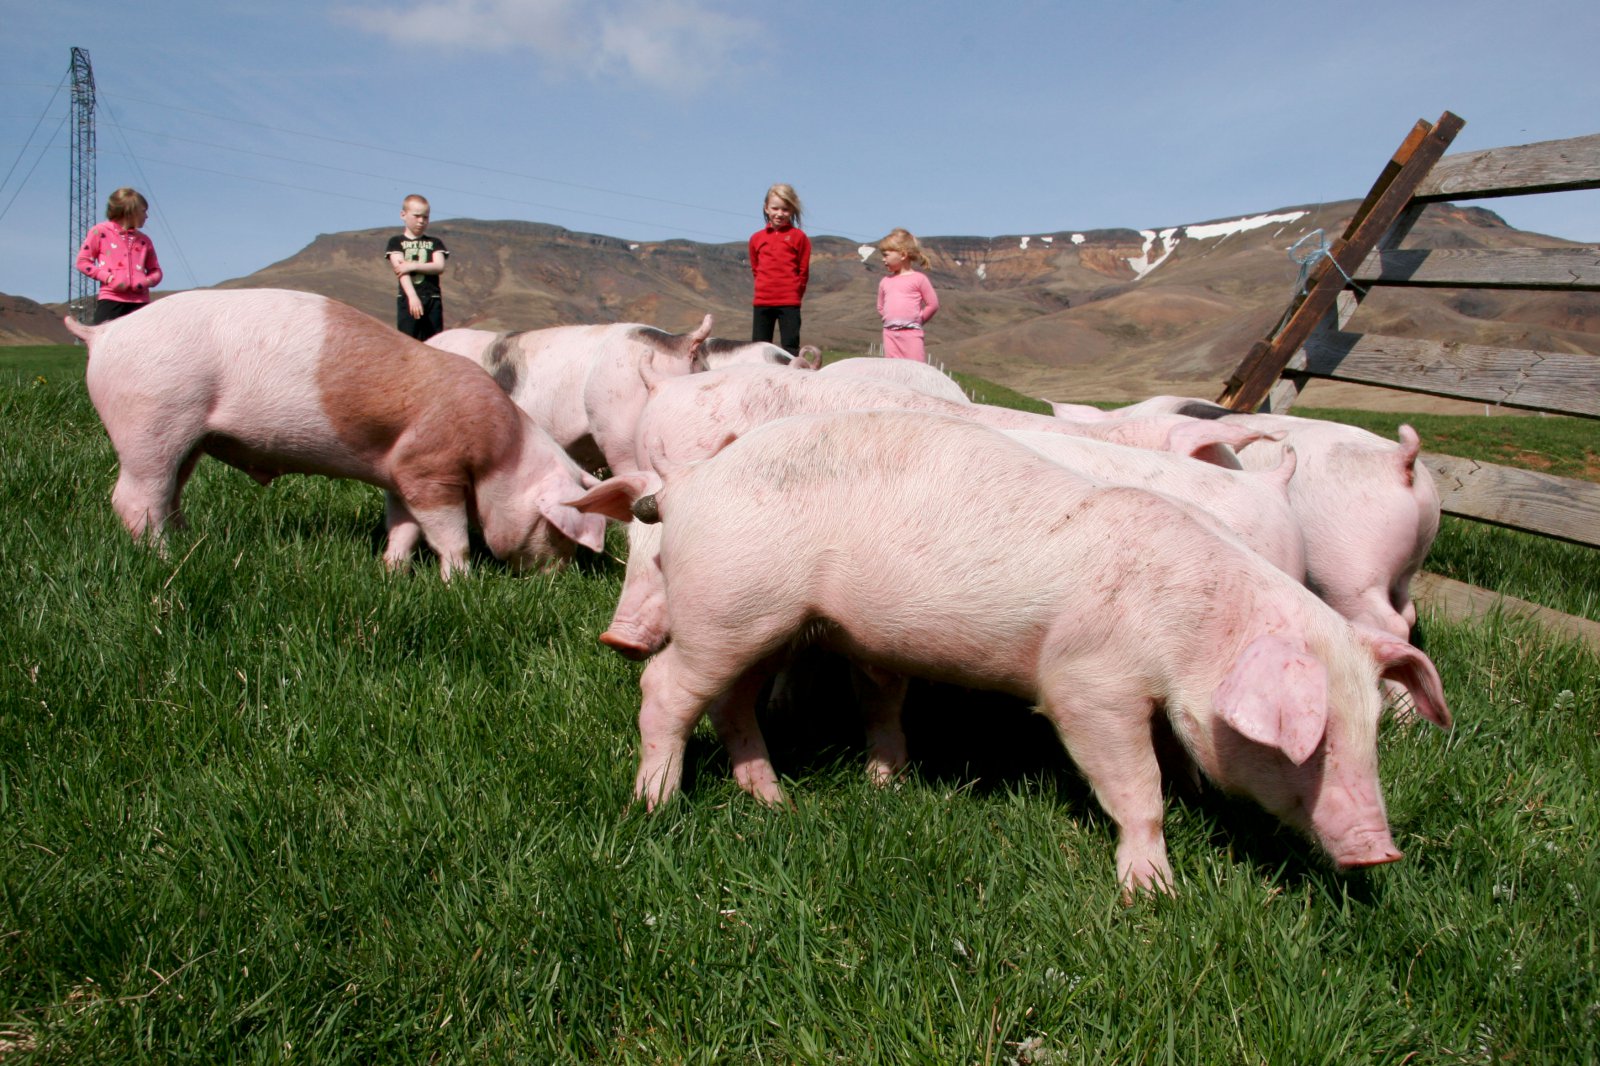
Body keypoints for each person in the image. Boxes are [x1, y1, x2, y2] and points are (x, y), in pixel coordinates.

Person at [75, 187, 163, 324]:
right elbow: (82, 262)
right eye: (143, 211)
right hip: (111, 299)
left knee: (144, 337)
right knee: (102, 335)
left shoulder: (145, 240)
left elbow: (156, 271)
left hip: (140, 303)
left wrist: (146, 281)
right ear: (130, 211)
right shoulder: (99, 232)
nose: (147, 216)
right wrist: (107, 277)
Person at [748, 183, 810, 358]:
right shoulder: (756, 238)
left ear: (792, 210)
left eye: (785, 209)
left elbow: (803, 271)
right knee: (759, 348)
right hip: (763, 300)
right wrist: (764, 287)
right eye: (775, 208)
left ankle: (791, 374)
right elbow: (756, 268)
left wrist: (795, 293)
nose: (779, 214)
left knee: (790, 347)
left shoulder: (799, 237)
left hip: (789, 301)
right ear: (766, 208)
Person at [385, 194, 449, 341]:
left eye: (425, 217)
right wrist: (412, 296)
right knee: (408, 342)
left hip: (432, 299)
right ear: (403, 215)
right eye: (417, 216)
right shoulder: (396, 242)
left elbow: (439, 266)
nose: (421, 221)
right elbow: (401, 271)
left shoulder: (435, 242)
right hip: (408, 299)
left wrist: (412, 265)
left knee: (434, 342)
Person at [876, 228, 939, 361]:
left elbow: (932, 304)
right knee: (892, 368)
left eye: (886, 255)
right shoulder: (885, 282)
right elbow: (880, 307)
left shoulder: (919, 279)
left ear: (903, 255)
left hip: (912, 333)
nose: (883, 259)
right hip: (889, 334)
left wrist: (918, 320)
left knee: (915, 367)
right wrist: (890, 319)